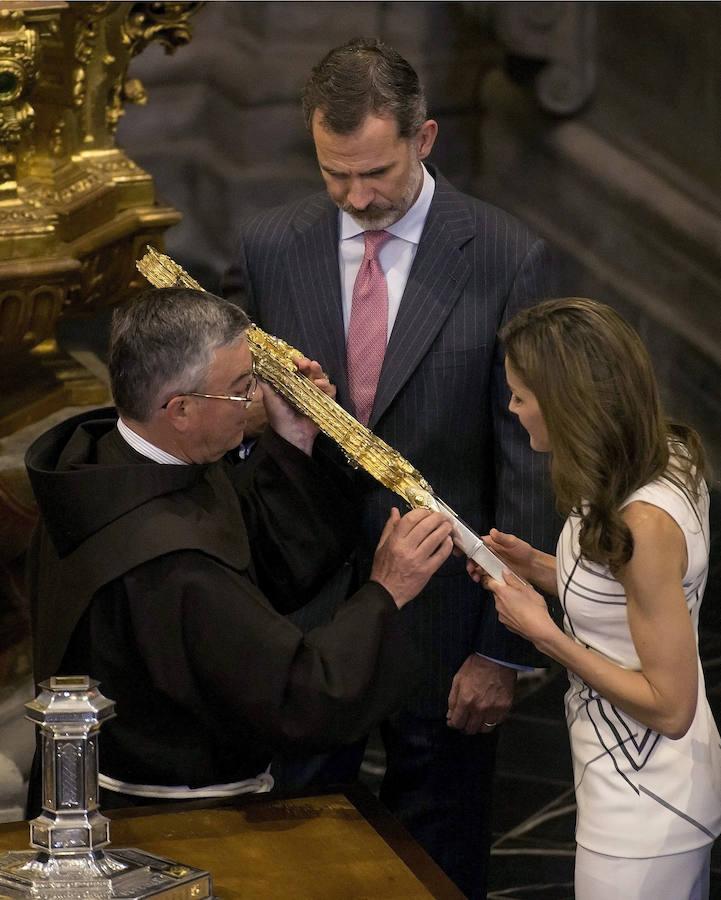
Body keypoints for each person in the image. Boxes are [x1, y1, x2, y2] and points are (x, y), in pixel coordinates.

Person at [223, 37, 558, 897]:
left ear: (425, 138)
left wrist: (504, 649)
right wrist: (264, 410)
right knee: (294, 853)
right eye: (335, 175)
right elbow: (238, 417)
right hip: (306, 610)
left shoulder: (503, 254)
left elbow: (524, 459)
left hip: (446, 623)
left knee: (439, 856)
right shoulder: (270, 246)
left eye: (374, 172)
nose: (356, 197)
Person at [25, 287, 454, 812]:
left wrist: (292, 440)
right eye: (241, 388)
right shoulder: (171, 563)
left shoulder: (108, 465)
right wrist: (388, 590)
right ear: (179, 409)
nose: (254, 402)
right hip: (174, 823)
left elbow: (248, 545)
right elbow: (300, 696)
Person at [468, 298, 721, 899]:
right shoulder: (657, 457)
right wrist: (544, 569)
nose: (512, 408)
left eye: (521, 396)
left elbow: (670, 706)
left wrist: (544, 634)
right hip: (632, 781)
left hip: (647, 800)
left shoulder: (644, 522)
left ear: (566, 401)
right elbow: (628, 597)